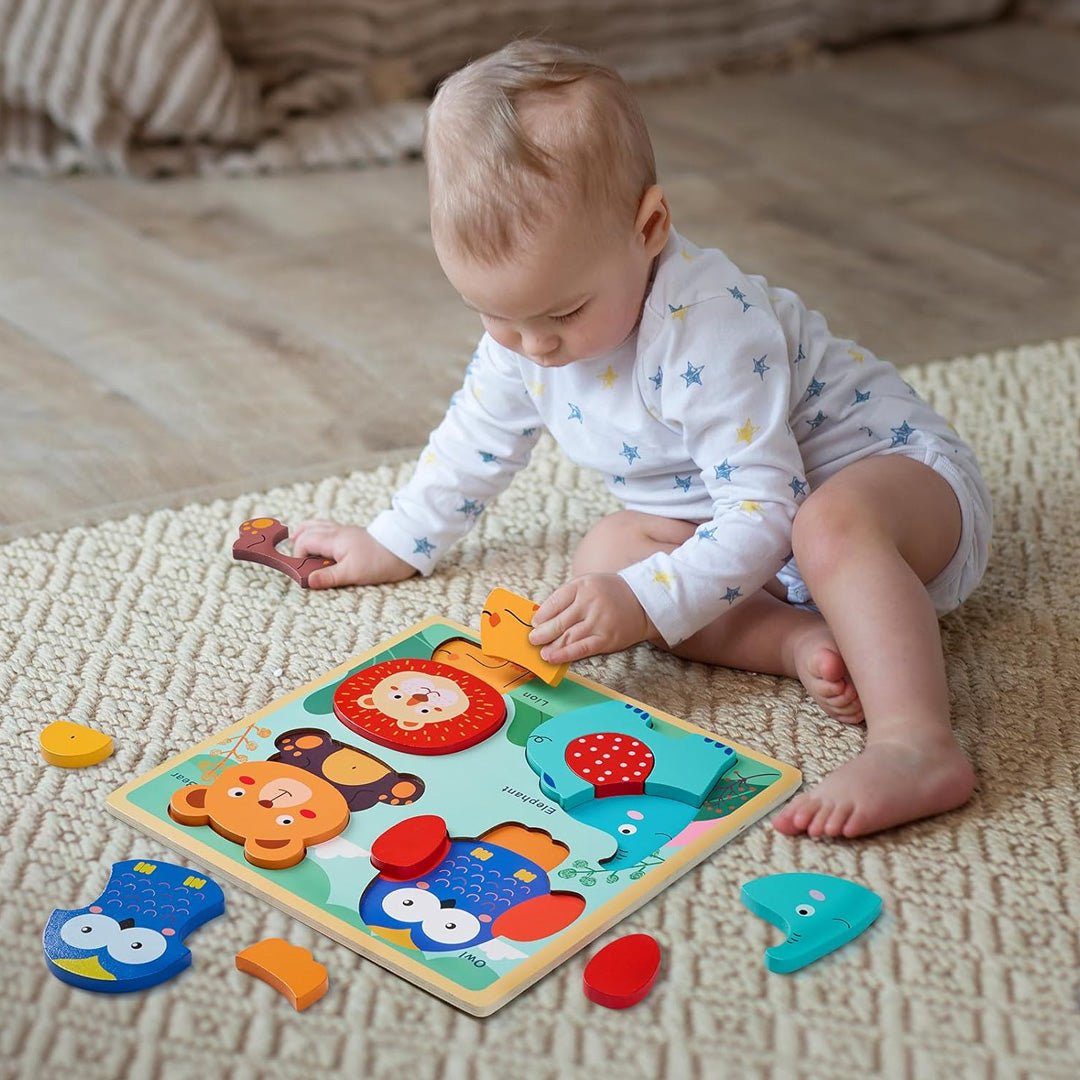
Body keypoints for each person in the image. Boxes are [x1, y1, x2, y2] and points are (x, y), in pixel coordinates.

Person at [291, 39, 992, 839]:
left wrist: (648, 601)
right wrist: (395, 540)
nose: (535, 346)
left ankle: (915, 743)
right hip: (753, 533)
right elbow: (476, 437)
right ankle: (806, 643)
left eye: (563, 313)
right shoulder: (527, 333)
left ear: (649, 227)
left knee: (819, 529)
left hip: (897, 495)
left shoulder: (713, 327)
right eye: (495, 315)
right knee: (608, 559)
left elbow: (768, 508)